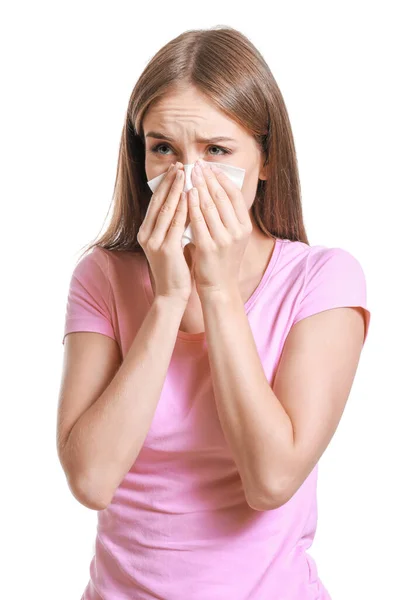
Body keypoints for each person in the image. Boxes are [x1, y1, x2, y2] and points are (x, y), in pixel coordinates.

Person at [56, 26, 371, 600]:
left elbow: (272, 479)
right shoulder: (102, 277)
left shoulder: (321, 280)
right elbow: (92, 479)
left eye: (216, 151)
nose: (187, 175)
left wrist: (219, 290)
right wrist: (169, 301)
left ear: (267, 159)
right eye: (163, 149)